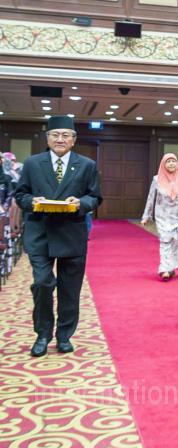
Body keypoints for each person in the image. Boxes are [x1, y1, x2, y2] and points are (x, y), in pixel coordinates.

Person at [14, 116, 102, 357]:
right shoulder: (32, 164)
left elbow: (95, 197)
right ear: (47, 138)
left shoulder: (86, 165)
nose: (60, 139)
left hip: (71, 233)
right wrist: (32, 201)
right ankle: (43, 334)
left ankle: (64, 335)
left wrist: (81, 203)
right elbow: (20, 194)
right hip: (40, 233)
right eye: (55, 135)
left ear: (73, 140)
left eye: (65, 135)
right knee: (42, 283)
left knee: (69, 289)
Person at [141, 153, 178, 281]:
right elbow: (151, 198)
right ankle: (164, 269)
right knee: (165, 241)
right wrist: (146, 216)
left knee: (174, 241)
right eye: (168, 161)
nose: (171, 164)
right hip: (162, 216)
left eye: (173, 161)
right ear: (163, 164)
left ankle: (172, 267)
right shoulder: (156, 179)